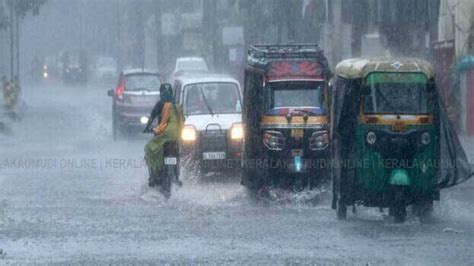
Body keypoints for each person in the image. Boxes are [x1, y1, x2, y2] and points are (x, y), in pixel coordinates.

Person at [144, 83, 184, 188]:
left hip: (164, 134)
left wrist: (151, 129)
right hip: (176, 136)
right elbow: (182, 121)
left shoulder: (163, 105)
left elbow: (162, 122)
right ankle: (176, 176)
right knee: (177, 154)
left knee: (150, 149)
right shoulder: (177, 105)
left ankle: (154, 174)